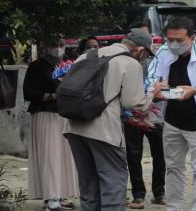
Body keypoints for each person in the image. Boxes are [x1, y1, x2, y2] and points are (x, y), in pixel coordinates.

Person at [64, 29, 158, 211]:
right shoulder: (130, 63)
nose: (145, 58)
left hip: (74, 127)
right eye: (146, 54)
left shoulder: (86, 56)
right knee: (113, 186)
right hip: (104, 132)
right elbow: (134, 103)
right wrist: (153, 95)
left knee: (88, 186)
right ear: (139, 50)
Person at [147, 17, 196, 211]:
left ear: (192, 38)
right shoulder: (163, 53)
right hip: (172, 119)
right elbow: (149, 81)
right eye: (170, 39)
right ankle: (173, 208)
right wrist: (155, 90)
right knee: (174, 168)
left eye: (179, 40)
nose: (174, 44)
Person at [23, 36, 78, 211]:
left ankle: (59, 195)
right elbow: (29, 93)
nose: (58, 48)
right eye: (54, 45)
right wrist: (52, 96)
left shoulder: (68, 65)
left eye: (61, 45)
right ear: (46, 46)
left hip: (64, 115)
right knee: (49, 156)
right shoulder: (37, 66)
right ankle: (51, 199)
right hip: (45, 114)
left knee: (63, 157)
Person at [124, 22, 166, 209]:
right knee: (134, 156)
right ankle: (138, 195)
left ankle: (159, 192)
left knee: (160, 155)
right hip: (132, 115)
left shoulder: (155, 62)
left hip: (154, 115)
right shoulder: (124, 62)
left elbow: (162, 85)